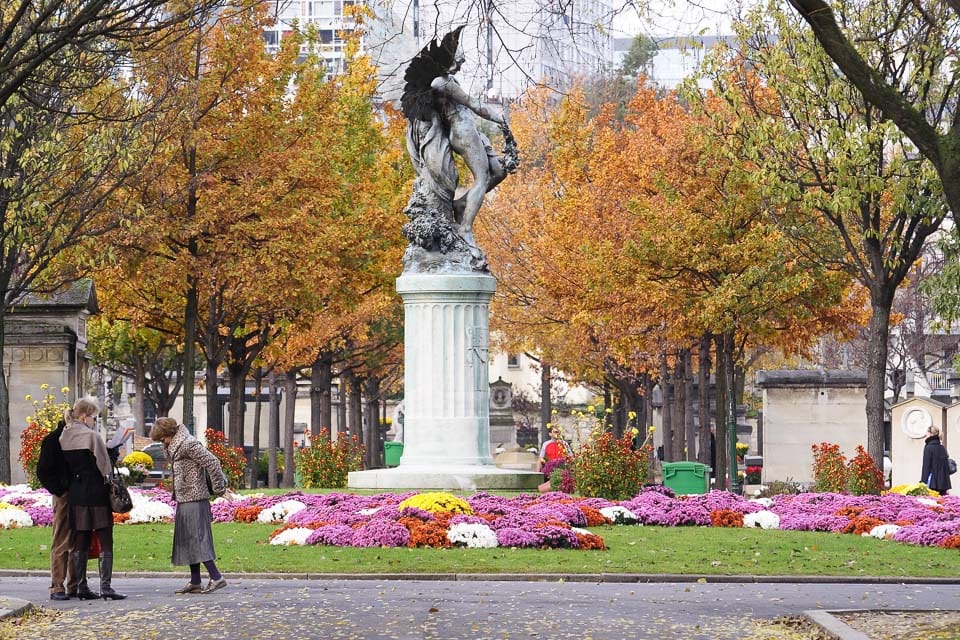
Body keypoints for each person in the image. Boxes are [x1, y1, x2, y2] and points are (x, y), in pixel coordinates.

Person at [150, 417, 228, 594]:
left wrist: (219, 488)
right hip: (185, 497)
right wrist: (166, 446)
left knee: (197, 539)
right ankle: (195, 581)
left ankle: (217, 578)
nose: (162, 444)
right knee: (188, 540)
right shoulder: (176, 445)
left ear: (170, 434)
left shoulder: (188, 444)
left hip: (195, 497)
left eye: (162, 440)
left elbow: (213, 462)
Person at [59, 397, 125, 600]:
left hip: (77, 493)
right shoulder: (92, 436)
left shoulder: (64, 436)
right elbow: (104, 467)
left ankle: (81, 586)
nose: (95, 422)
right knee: (105, 538)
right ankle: (106, 586)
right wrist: (112, 453)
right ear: (84, 416)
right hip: (96, 492)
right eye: (94, 418)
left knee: (81, 539)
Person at [36, 418, 74, 601]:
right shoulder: (53, 440)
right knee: (61, 539)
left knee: (78, 540)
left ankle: (74, 584)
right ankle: (58, 584)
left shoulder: (78, 437)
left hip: (79, 493)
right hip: (65, 494)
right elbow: (43, 471)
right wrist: (60, 489)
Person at [921, 425, 952, 496]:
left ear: (930, 433)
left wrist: (923, 483)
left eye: (927, 432)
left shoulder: (928, 448)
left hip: (932, 483)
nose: (926, 434)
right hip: (943, 483)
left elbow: (926, 467)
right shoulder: (942, 448)